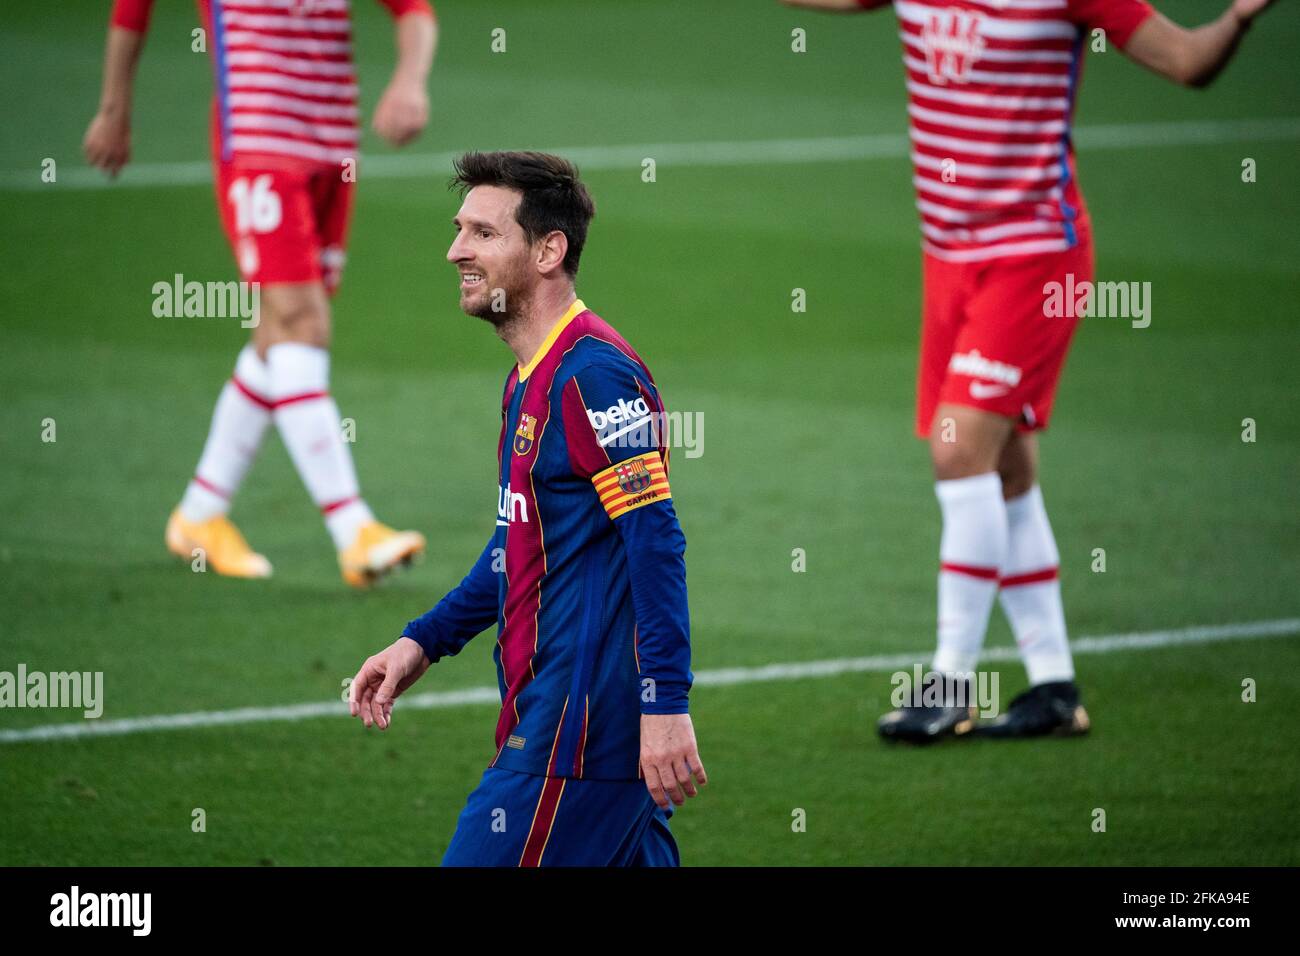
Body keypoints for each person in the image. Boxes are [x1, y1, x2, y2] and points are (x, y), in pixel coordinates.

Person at [779, 0, 1276, 739]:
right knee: (1005, 467)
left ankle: (951, 683)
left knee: (958, 449)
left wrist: (1236, 17)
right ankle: (1054, 688)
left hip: (1036, 258)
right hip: (950, 259)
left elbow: (1186, 61)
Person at [348, 151, 706, 865]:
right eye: (459, 230)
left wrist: (665, 705)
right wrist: (425, 639)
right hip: (566, 726)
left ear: (548, 250)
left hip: (574, 737)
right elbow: (519, 542)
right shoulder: (530, 378)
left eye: (483, 234)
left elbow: (655, 543)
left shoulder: (594, 378)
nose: (456, 251)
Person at [84, 0, 437, 586]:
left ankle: (199, 513)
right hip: (257, 144)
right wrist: (114, 111)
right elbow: (132, 10)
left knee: (279, 333)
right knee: (304, 322)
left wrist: (410, 80)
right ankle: (353, 531)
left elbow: (413, 10)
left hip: (332, 147)